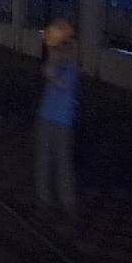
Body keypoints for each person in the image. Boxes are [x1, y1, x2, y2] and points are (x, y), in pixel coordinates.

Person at [35, 18, 79, 217]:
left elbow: (61, 83)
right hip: (46, 116)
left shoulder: (71, 67)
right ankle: (43, 199)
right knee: (43, 159)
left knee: (62, 161)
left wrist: (53, 57)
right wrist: (49, 48)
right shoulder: (55, 61)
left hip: (62, 121)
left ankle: (67, 202)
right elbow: (47, 70)